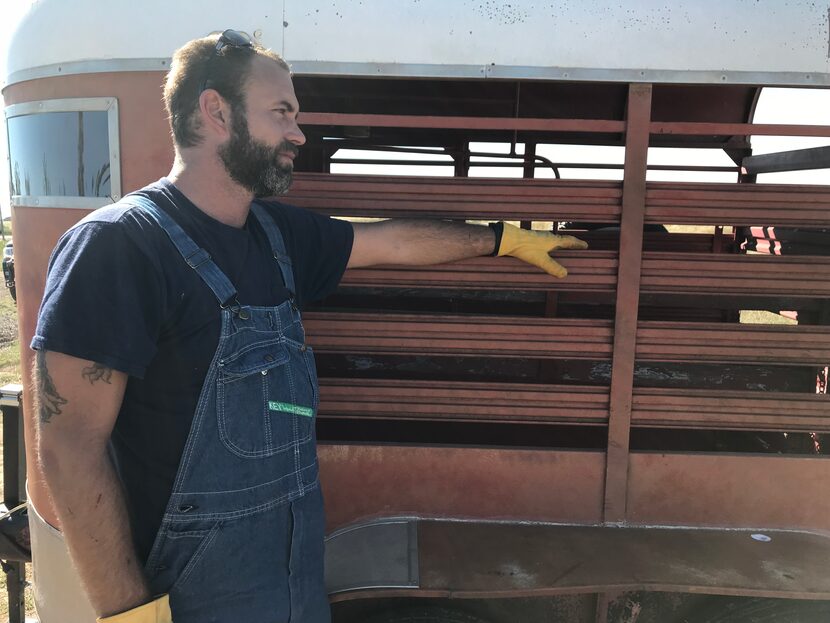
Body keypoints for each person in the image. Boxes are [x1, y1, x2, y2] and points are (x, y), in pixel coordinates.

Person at [31, 30, 587, 623]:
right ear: (215, 111)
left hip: (293, 579)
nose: (298, 134)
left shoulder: (278, 237)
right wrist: (129, 615)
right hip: (195, 597)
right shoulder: (120, 246)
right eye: (282, 114)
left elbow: (392, 242)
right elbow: (69, 447)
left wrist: (501, 239)